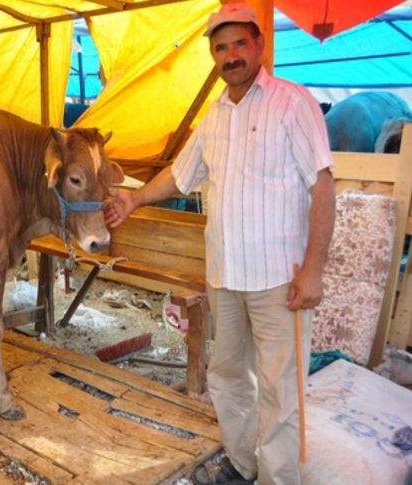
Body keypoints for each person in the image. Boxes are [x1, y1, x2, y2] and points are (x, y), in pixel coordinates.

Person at [105, 3, 335, 484]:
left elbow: (322, 186)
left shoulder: (293, 103)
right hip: (226, 277)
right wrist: (135, 200)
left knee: (279, 390)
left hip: (280, 280)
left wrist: (312, 270)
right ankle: (242, 463)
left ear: (259, 46)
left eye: (239, 44)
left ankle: (277, 479)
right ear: (213, 54)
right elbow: (180, 175)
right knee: (228, 378)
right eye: (220, 47)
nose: (230, 55)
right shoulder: (212, 117)